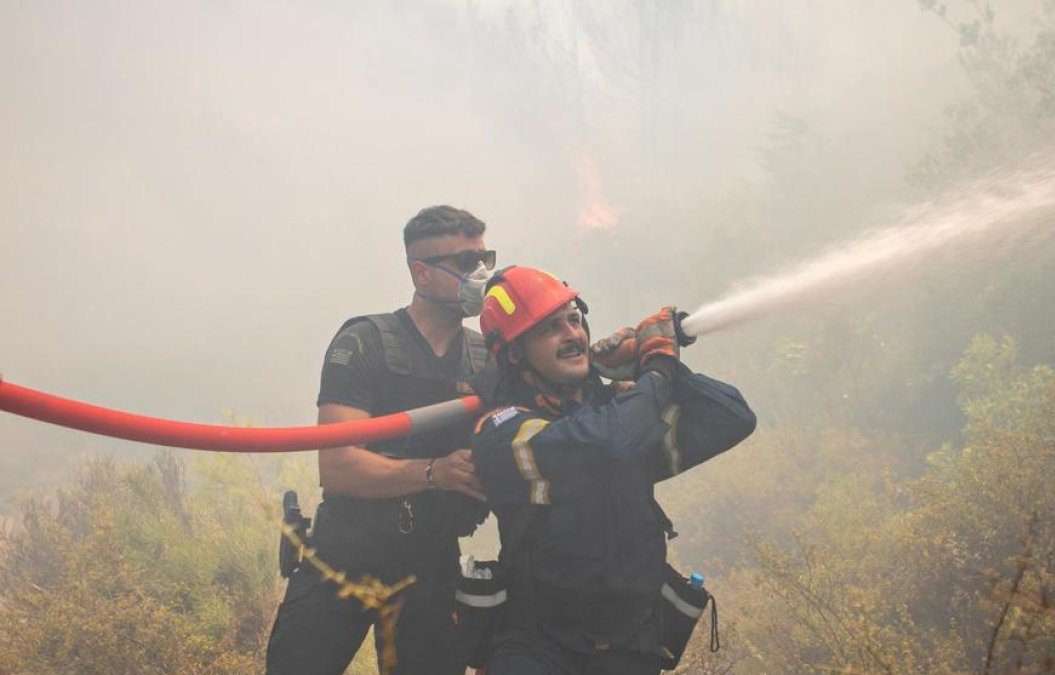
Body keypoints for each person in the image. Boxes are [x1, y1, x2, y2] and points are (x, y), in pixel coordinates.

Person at [471, 266, 756, 675]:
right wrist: (658, 367)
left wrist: (649, 367)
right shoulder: (504, 430)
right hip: (538, 650)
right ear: (515, 353)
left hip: (632, 648)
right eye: (550, 328)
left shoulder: (616, 414)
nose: (572, 335)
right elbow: (607, 445)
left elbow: (731, 417)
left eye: (574, 320)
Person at [266, 205, 496, 675]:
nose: (482, 274)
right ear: (421, 274)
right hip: (344, 554)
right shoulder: (364, 342)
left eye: (485, 257)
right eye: (465, 262)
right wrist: (435, 473)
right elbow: (339, 467)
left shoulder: (489, 358)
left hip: (431, 564)